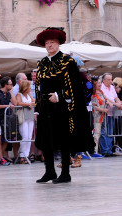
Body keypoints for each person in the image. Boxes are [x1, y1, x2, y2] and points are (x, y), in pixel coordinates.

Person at [35, 27, 94, 184]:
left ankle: (66, 173)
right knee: (46, 139)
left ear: (58, 43)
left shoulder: (68, 62)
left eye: (52, 42)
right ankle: (50, 171)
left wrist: (59, 96)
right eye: (47, 43)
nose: (49, 45)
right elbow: (38, 86)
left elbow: (75, 86)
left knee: (64, 139)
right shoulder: (41, 63)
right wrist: (37, 106)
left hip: (62, 107)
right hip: (46, 107)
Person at [0, 76, 16, 166]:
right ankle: (1, 158)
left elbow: (15, 103)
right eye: (10, 84)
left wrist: (11, 91)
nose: (12, 86)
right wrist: (6, 106)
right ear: (5, 85)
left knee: (7, 138)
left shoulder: (8, 94)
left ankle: (0, 156)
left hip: (6, 118)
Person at [100, 73, 122, 156]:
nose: (111, 81)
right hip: (104, 112)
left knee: (110, 131)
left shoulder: (112, 87)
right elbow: (106, 98)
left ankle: (109, 150)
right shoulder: (101, 87)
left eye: (111, 79)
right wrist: (116, 104)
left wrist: (119, 103)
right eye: (109, 79)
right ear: (104, 80)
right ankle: (105, 150)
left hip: (112, 112)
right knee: (104, 132)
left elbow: (115, 97)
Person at [16, 80, 35, 164]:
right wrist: (28, 104)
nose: (30, 88)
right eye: (29, 86)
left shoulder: (29, 95)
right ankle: (22, 155)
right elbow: (19, 103)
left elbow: (34, 101)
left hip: (29, 116)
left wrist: (31, 103)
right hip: (23, 116)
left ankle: (26, 154)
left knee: (29, 136)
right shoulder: (19, 95)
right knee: (25, 136)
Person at [91, 76, 111, 158]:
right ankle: (94, 151)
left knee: (100, 133)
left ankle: (98, 150)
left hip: (102, 116)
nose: (99, 84)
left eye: (100, 83)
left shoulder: (101, 92)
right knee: (96, 133)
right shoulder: (93, 93)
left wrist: (108, 102)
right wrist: (103, 109)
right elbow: (94, 106)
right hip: (96, 116)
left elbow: (106, 99)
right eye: (98, 83)